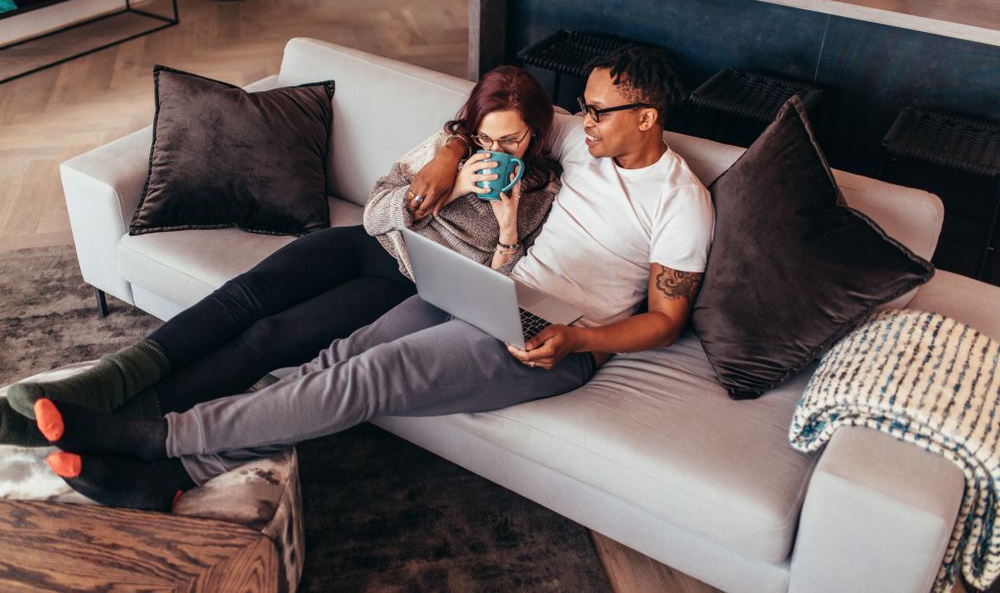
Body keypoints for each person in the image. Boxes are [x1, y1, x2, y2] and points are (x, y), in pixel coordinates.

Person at [33, 46, 715, 513]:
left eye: (598, 111)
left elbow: (665, 320)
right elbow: (494, 121)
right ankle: (174, 478)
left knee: (368, 379)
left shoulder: (680, 200)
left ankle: (156, 439)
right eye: (585, 107)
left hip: (555, 343)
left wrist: (576, 336)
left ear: (647, 118)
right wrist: (450, 161)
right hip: (495, 292)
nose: (584, 119)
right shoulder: (586, 146)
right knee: (338, 358)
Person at [0, 65, 560, 447]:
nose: (496, 152)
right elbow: (373, 212)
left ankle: (128, 421)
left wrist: (507, 224)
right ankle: (106, 382)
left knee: (269, 339)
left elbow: (495, 285)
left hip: (405, 284)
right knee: (239, 297)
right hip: (367, 243)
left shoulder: (542, 193)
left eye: (510, 142)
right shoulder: (447, 144)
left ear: (534, 135)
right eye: (487, 138)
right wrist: (453, 182)